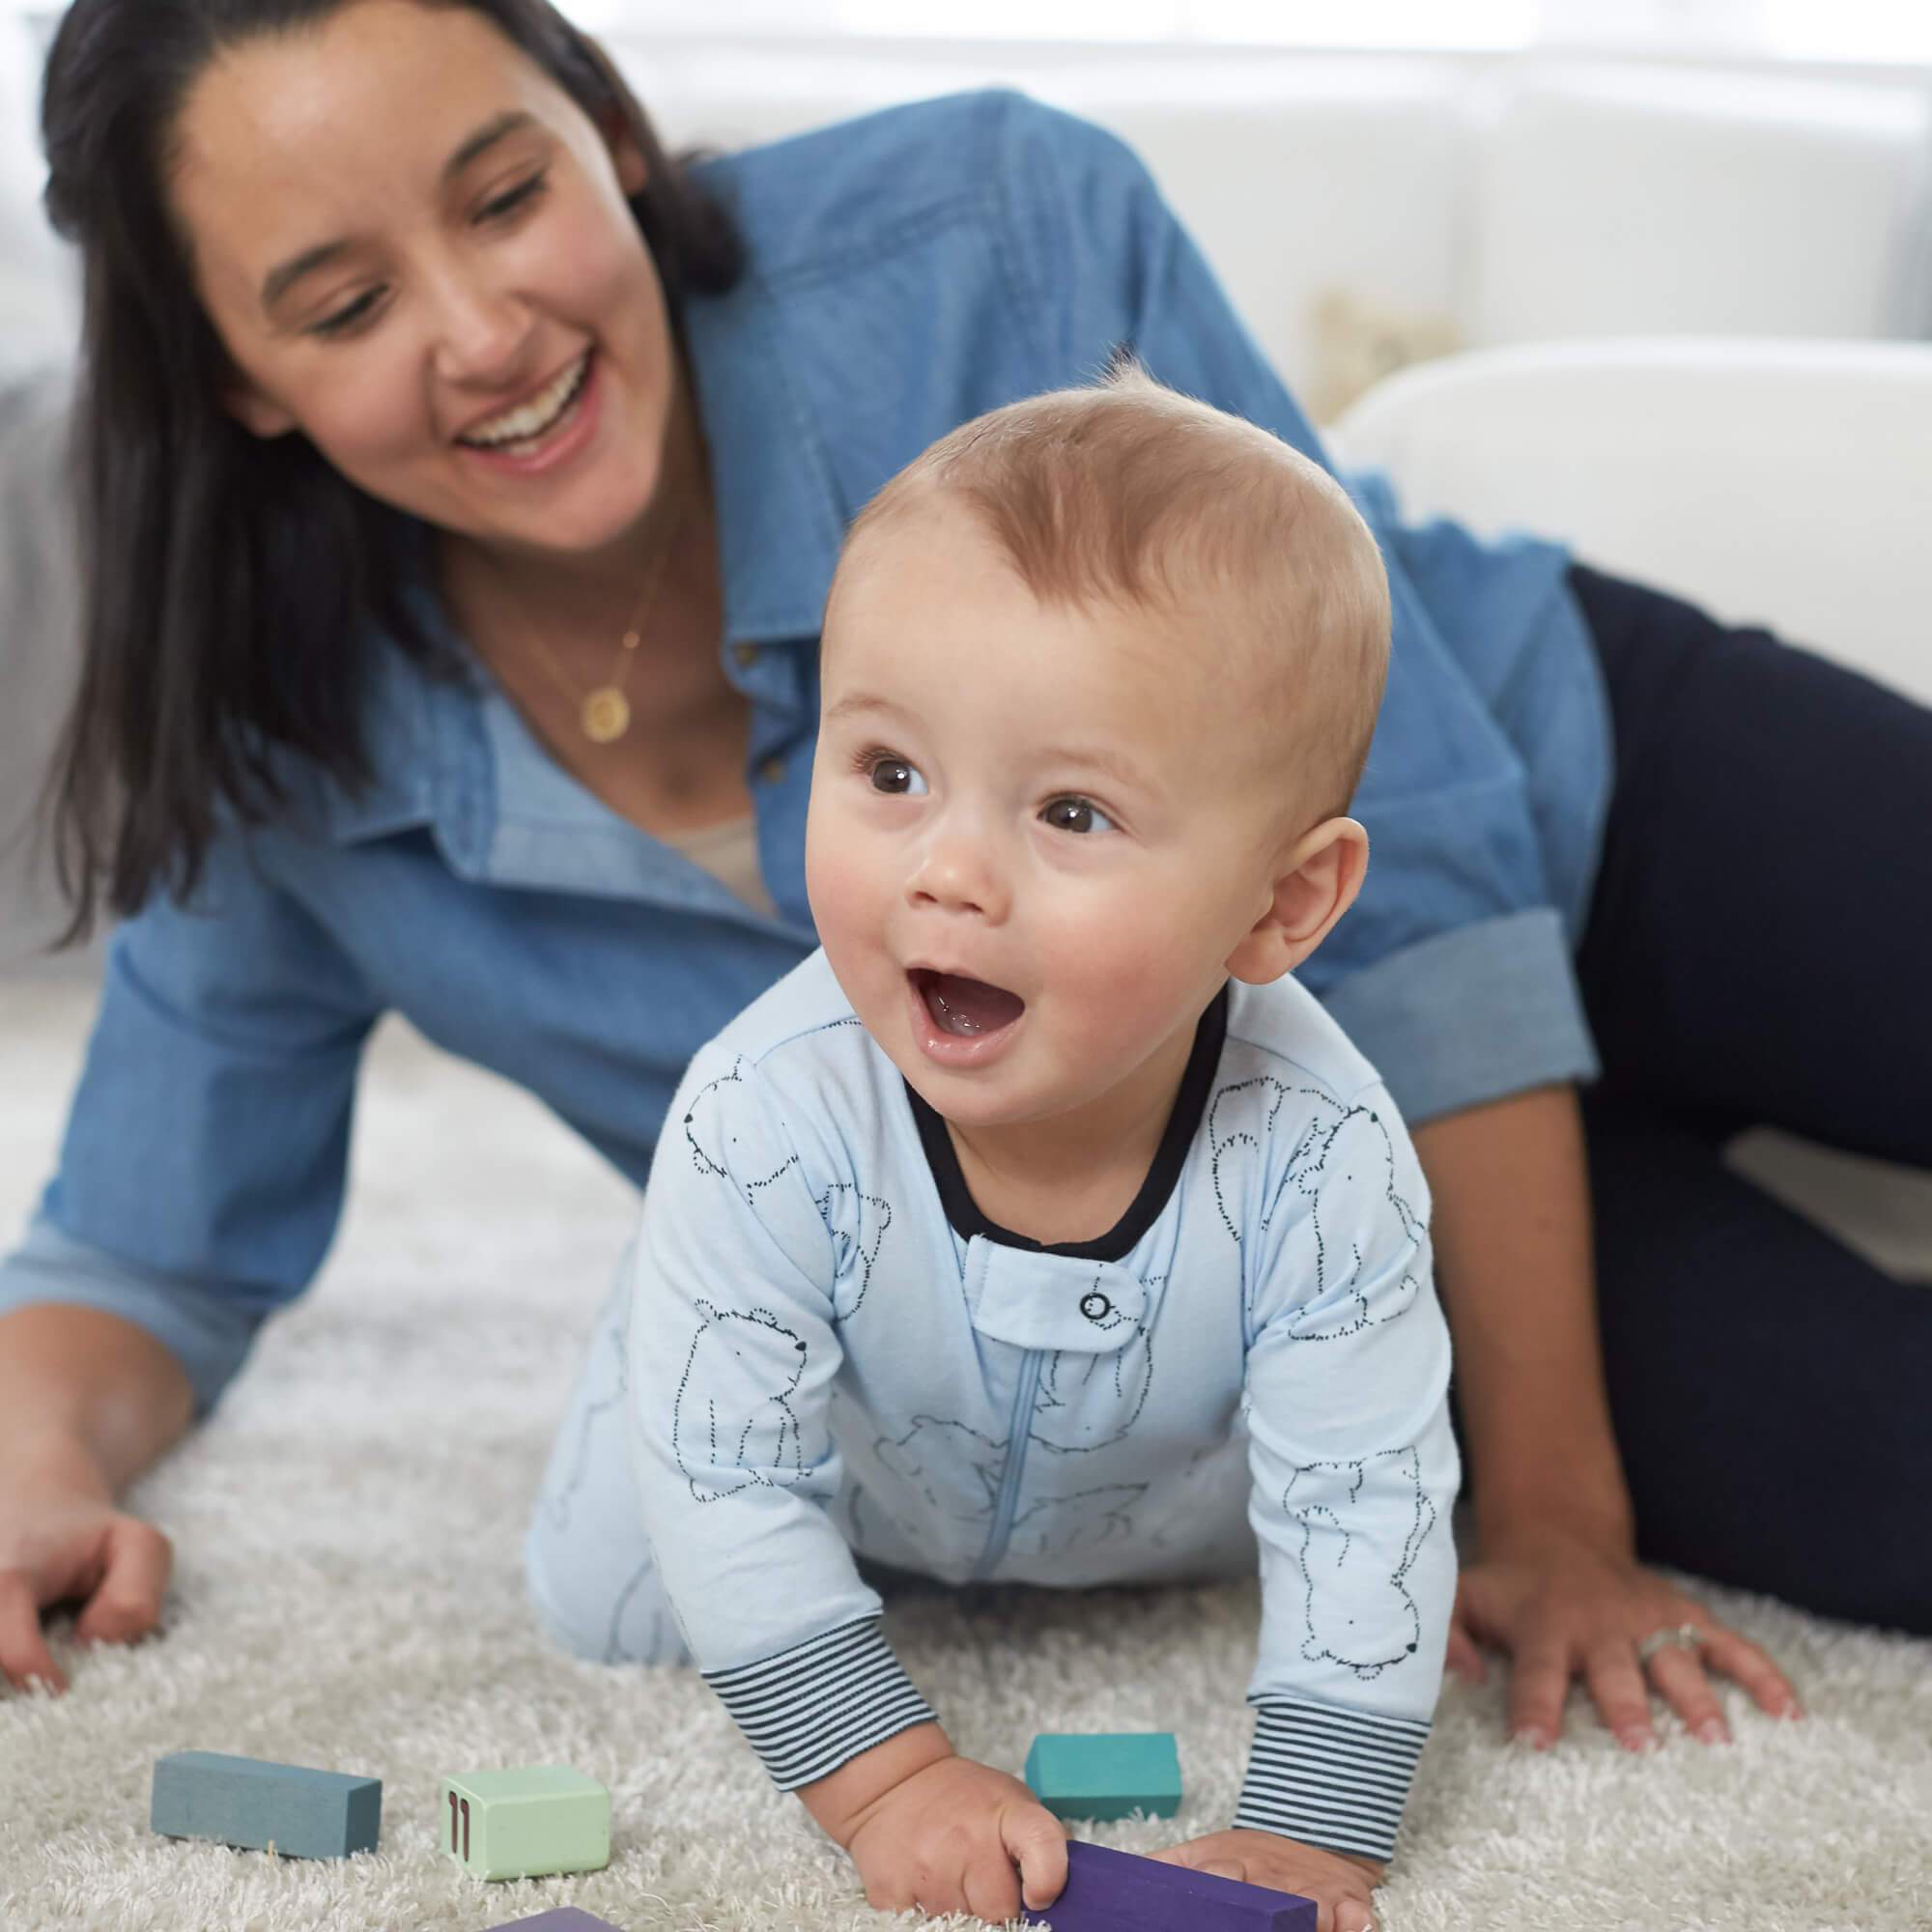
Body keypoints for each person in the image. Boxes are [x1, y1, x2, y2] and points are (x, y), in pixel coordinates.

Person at [14, 0, 1929, 1799]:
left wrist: (1552, 1515)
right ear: (232, 375)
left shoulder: (980, 230)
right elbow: (141, 1252)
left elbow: (1418, 869)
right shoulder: (265, 731)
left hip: (1553, 790)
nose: (484, 329)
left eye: (508, 195)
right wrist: (29, 1465)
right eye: (342, 305)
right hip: (1285, 1162)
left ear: (609, 131)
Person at [526, 369, 1454, 1931]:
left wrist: (1314, 1829)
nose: (947, 872)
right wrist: (886, 1780)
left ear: (1281, 906)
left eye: (1073, 813)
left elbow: (1367, 1498)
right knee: (616, 1593)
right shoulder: (764, 1112)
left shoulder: (1326, 1151)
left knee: (1348, 1524)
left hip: (1153, 1490)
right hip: (818, 1452)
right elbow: (731, 1481)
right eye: (890, 775)